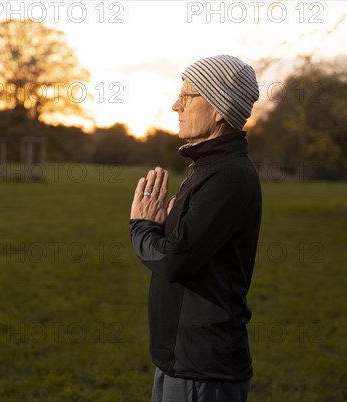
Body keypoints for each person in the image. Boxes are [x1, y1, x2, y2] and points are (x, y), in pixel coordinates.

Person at [129, 55, 262, 402]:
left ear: (219, 108)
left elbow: (175, 261)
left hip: (203, 368)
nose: (176, 105)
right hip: (181, 360)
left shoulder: (228, 176)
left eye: (188, 96)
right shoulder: (208, 170)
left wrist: (142, 229)